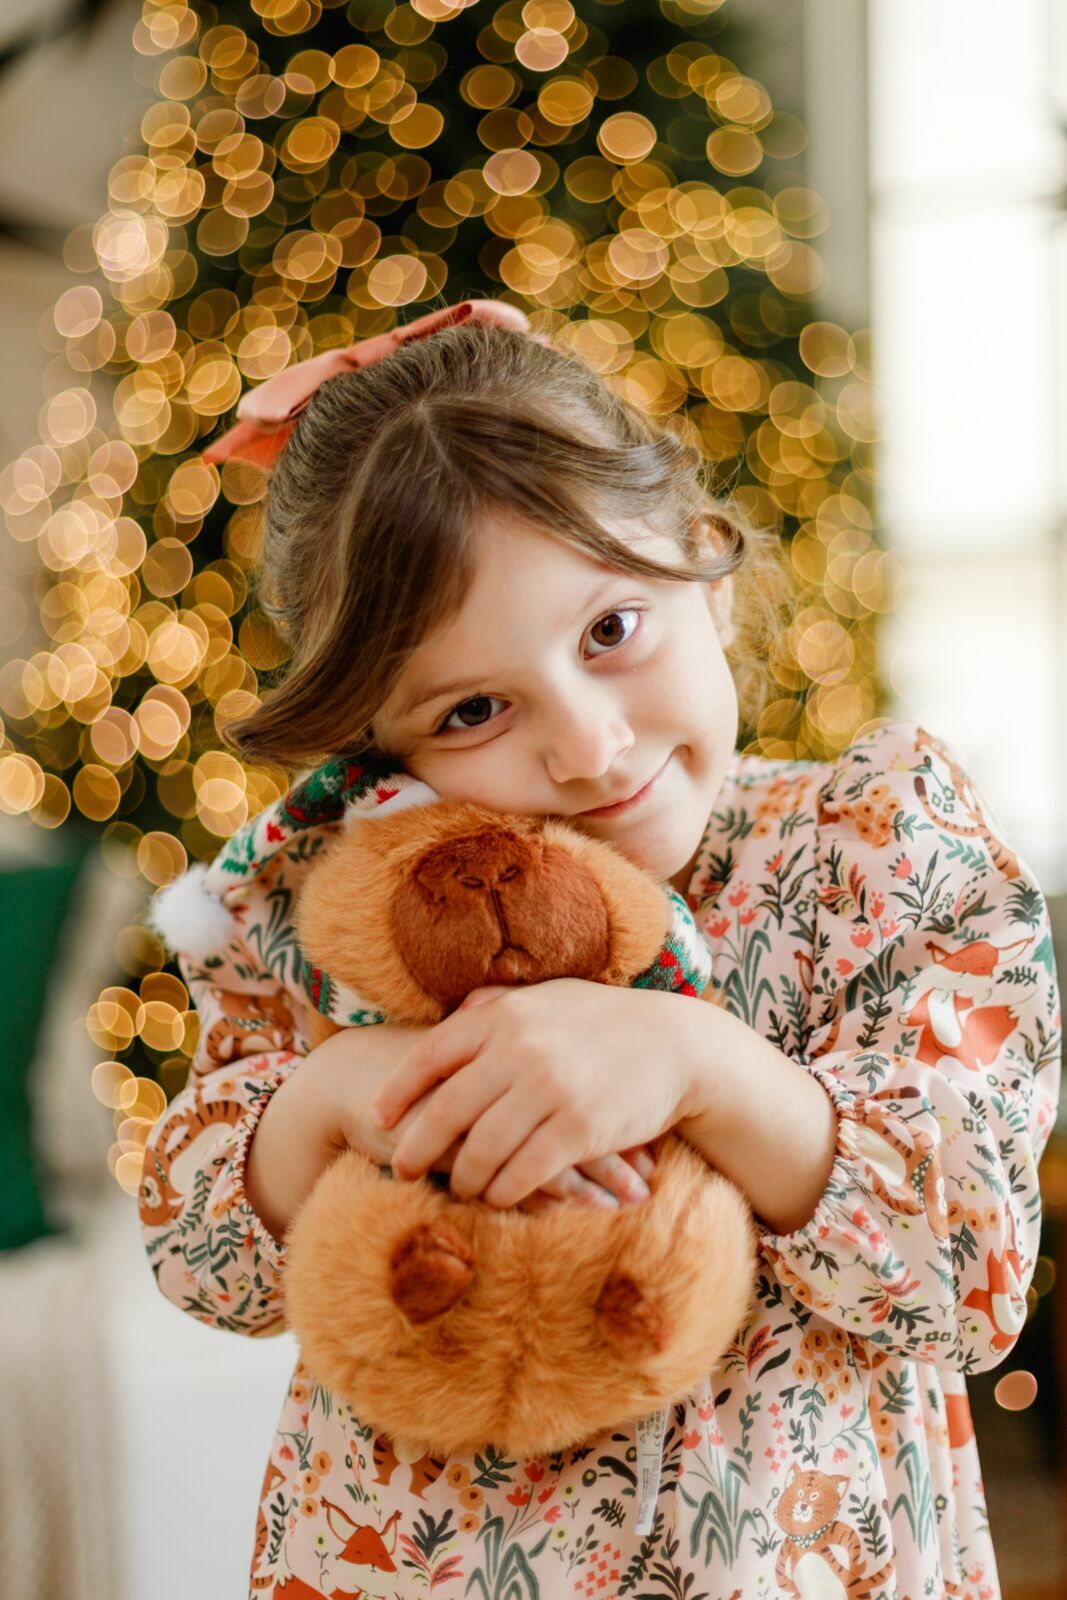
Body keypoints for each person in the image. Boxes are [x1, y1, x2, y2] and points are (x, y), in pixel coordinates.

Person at [139, 299, 1061, 1600]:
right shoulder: (336, 912)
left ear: (707, 566)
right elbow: (202, 1262)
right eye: (472, 708)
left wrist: (701, 1065)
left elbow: (969, 1275)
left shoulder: (876, 857)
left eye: (611, 631)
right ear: (380, 744)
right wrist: (337, 1095)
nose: (586, 747)